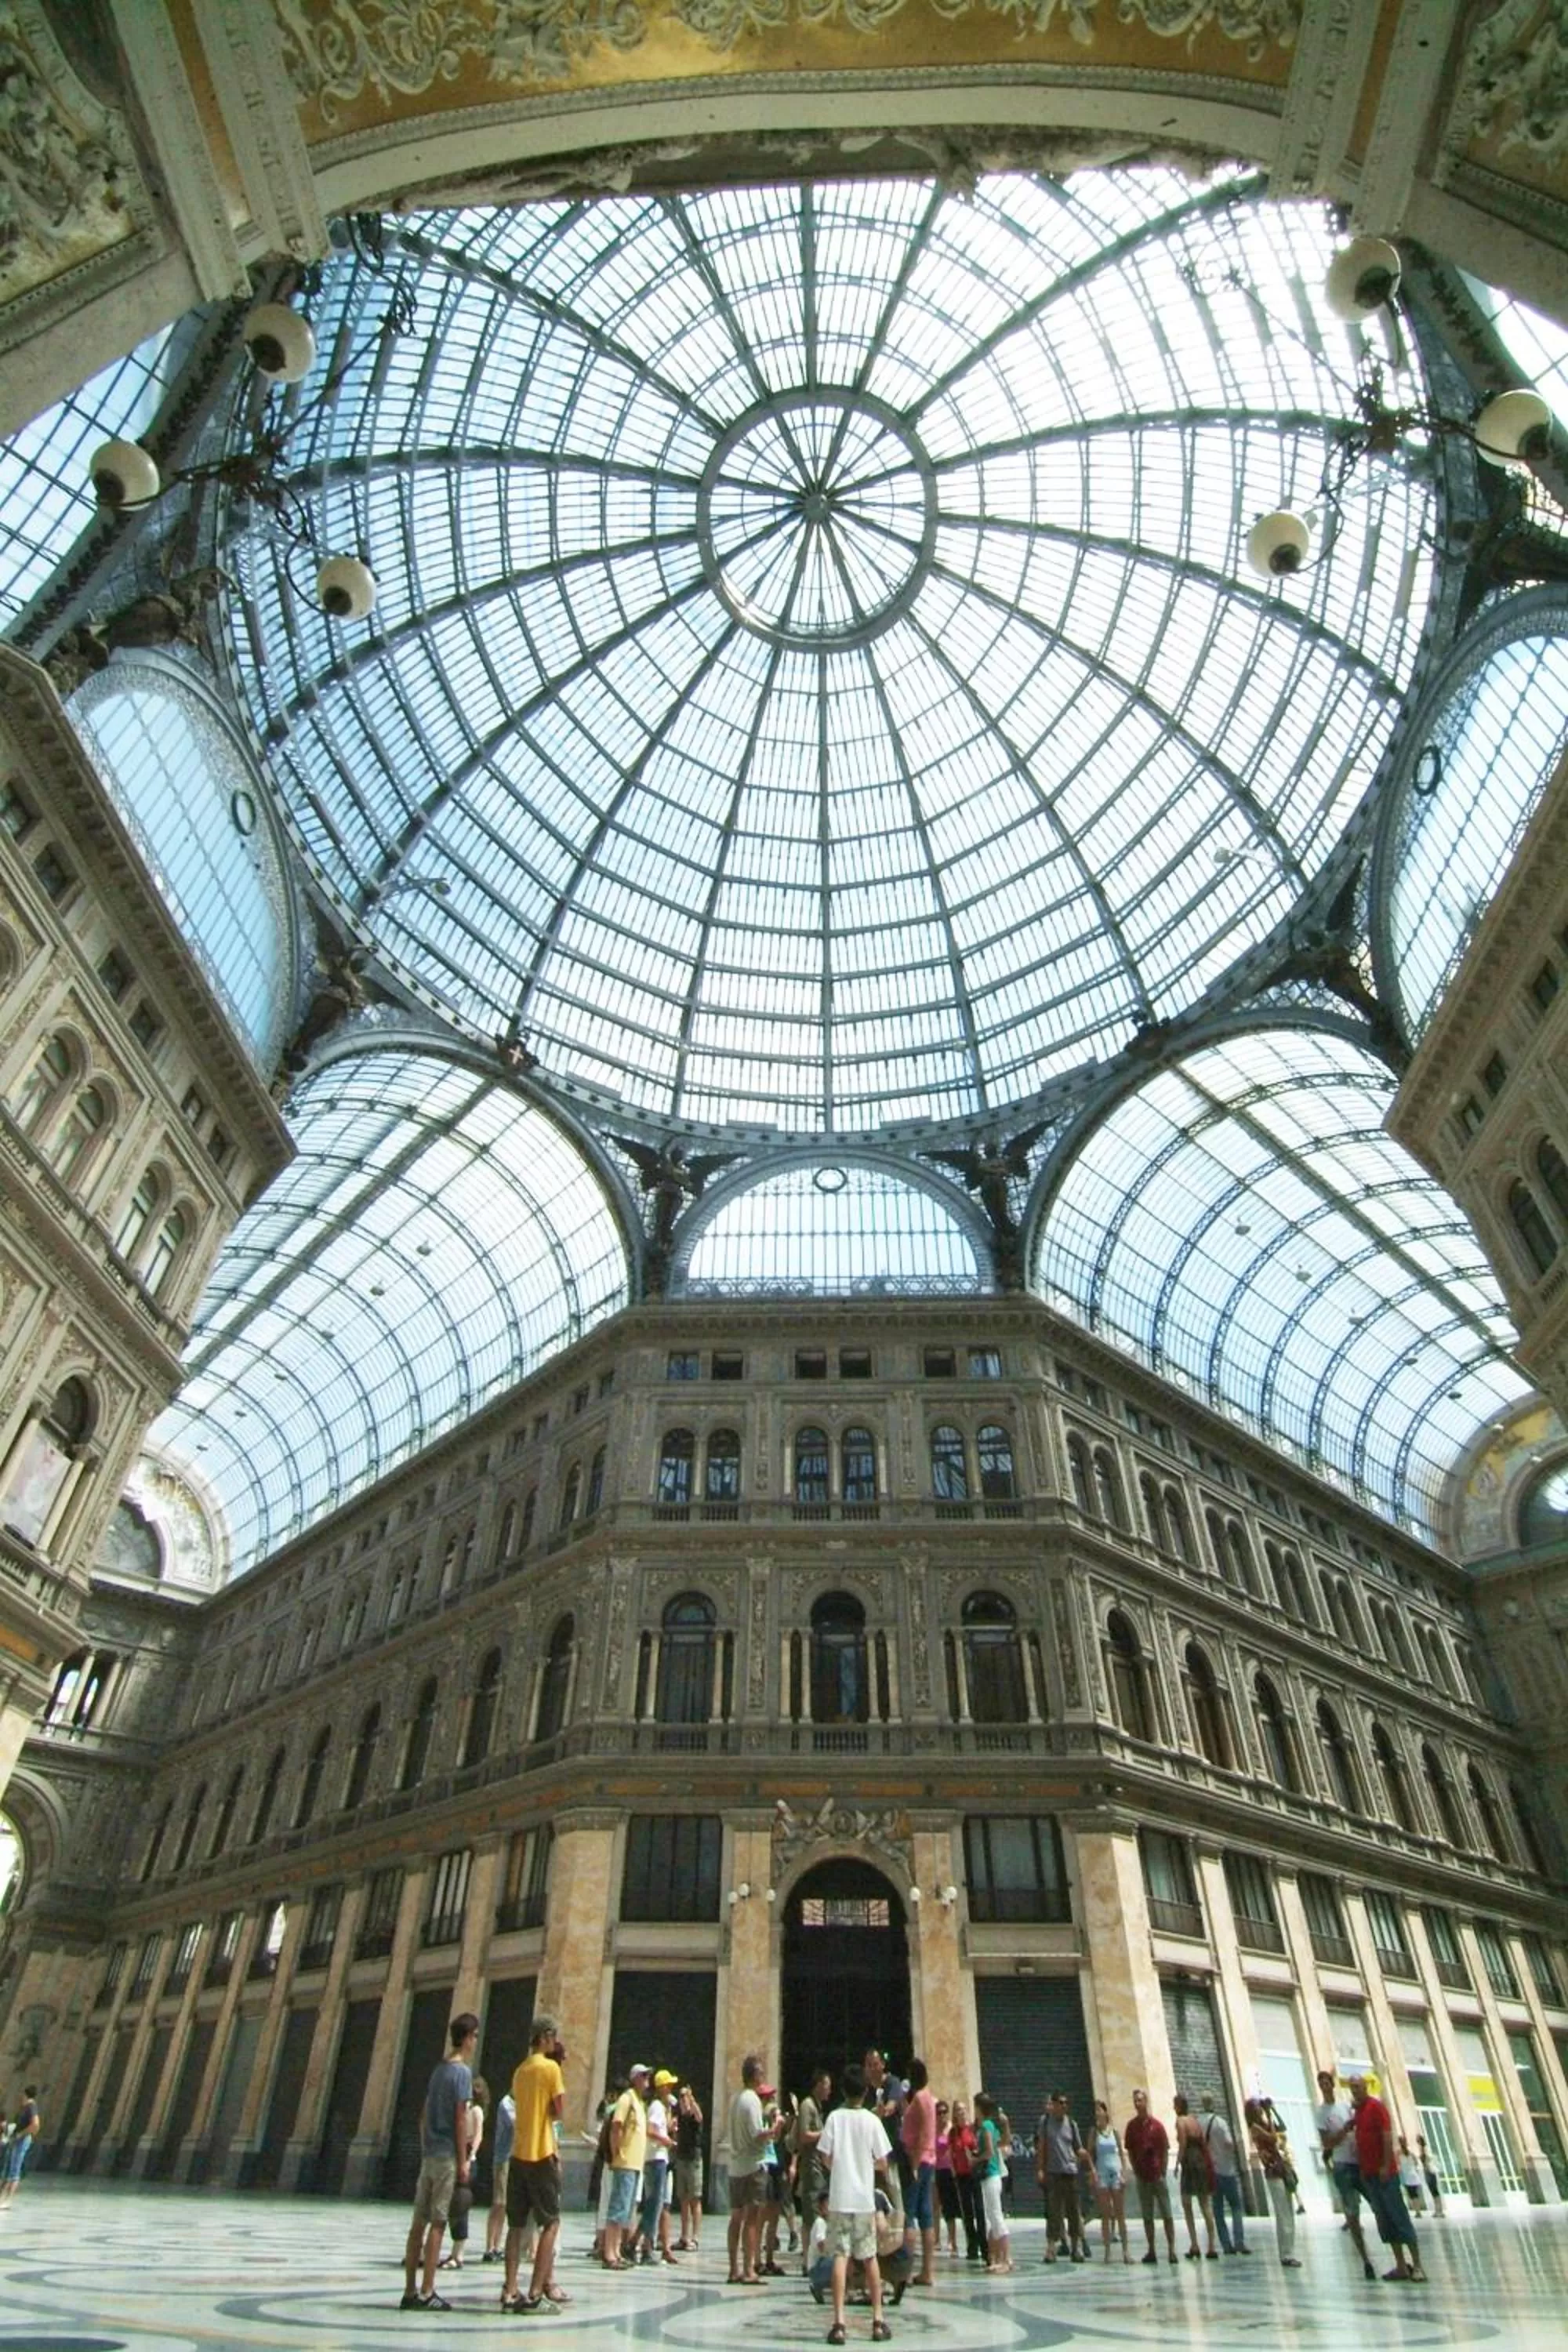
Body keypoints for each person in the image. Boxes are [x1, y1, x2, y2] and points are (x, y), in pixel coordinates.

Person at [401, 2010, 477, 2311]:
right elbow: (461, 2119)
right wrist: (462, 2161)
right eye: (474, 2036)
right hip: (447, 2155)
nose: (475, 2042)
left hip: (429, 2156)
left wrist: (426, 2147)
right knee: (438, 2223)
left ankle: (409, 2291)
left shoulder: (438, 2070)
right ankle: (427, 2290)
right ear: (468, 2038)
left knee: (418, 2223)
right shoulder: (462, 2074)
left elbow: (423, 2116)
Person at [818, 2061, 893, 2344]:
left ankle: (839, 2323)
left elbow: (825, 2157)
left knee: (841, 2256)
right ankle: (878, 2320)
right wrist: (865, 2165)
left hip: (839, 2197)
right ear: (866, 2091)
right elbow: (884, 2162)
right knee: (870, 2256)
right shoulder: (872, 2121)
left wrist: (841, 2167)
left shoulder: (835, 2118)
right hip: (864, 2200)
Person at [503, 2013, 570, 2314]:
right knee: (550, 2223)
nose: (555, 2042)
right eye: (553, 2037)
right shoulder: (551, 2068)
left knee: (516, 2226)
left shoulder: (519, 2071)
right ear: (545, 2037)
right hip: (542, 2153)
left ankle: (509, 2289)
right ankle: (534, 2294)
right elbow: (559, 2109)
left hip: (517, 2154)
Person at [1348, 2074, 1425, 2283]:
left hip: (1385, 2174)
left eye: (1358, 2086)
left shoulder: (1376, 2107)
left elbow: (1386, 2136)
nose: (1354, 2090)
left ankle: (1417, 2266)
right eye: (1352, 2087)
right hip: (1370, 2175)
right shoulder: (1359, 2112)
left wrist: (1385, 2165)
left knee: (1399, 2217)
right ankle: (1401, 2265)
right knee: (1386, 2221)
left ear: (1366, 2087)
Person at [1312, 2066, 1375, 2280]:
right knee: (1352, 2213)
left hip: (1359, 2163)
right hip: (1342, 2166)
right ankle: (1365, 2259)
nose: (1325, 2086)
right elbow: (1327, 2142)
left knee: (1378, 2203)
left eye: (1327, 2082)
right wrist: (1343, 2132)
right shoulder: (1321, 2114)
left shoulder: (1346, 2106)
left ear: (1332, 2084)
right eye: (1321, 2084)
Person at [727, 2050, 772, 2285]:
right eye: (762, 2073)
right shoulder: (753, 2100)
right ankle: (749, 2269)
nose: (764, 2077)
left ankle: (733, 2268)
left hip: (734, 2166)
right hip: (753, 2166)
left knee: (735, 2217)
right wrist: (774, 2129)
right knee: (752, 2219)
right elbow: (757, 2135)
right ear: (754, 2076)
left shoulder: (735, 2099)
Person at [604, 2060, 650, 2271]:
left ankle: (617, 2251)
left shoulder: (640, 2103)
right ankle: (609, 2253)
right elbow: (616, 2126)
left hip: (635, 2164)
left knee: (625, 2212)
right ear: (635, 2079)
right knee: (617, 2210)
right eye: (644, 2076)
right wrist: (616, 2154)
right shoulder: (626, 2099)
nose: (647, 2081)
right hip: (625, 2161)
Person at [1245, 2097, 1301, 2269]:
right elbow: (1273, 2138)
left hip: (1282, 2169)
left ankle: (1289, 2251)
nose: (1259, 2109)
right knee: (1283, 2212)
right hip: (1273, 2172)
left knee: (1288, 2211)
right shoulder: (1255, 2128)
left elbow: (1282, 2127)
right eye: (1255, 2107)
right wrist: (1269, 2114)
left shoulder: (1265, 2122)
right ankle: (1286, 2254)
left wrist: (1274, 2111)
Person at [1124, 2087, 1177, 2266]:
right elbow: (1130, 2150)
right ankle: (1151, 2249)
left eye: (1140, 2100)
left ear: (1146, 2102)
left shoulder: (1158, 2126)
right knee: (1147, 2215)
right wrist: (1135, 2168)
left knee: (1167, 2213)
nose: (1137, 2104)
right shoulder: (1131, 2127)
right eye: (1135, 2101)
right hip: (1142, 2176)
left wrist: (1162, 2171)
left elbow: (1165, 2149)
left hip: (1157, 2176)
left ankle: (1171, 2250)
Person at [440, 2074, 487, 2267]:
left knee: (460, 2205)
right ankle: (452, 2252)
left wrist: (469, 2158)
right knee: (451, 2205)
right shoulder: (462, 2109)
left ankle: (458, 2253)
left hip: (468, 2161)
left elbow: (478, 2136)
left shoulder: (476, 2111)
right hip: (456, 2157)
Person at [1035, 2088, 1087, 2263]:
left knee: (1073, 2212)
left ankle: (1076, 2247)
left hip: (1070, 2173)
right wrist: (1040, 2169)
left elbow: (1077, 2147)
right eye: (1061, 2103)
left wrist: (1087, 2159)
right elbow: (1042, 2147)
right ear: (1055, 2104)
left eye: (1066, 2103)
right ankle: (1051, 2249)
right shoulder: (1045, 2122)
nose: (1064, 2106)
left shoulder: (1071, 2124)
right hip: (1053, 2173)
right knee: (1053, 2212)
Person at [900, 2058, 938, 2285]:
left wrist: (913, 2165)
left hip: (918, 2160)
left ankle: (906, 2270)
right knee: (926, 2215)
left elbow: (922, 2134)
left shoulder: (922, 2099)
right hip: (929, 2160)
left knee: (910, 2215)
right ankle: (927, 2272)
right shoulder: (928, 2097)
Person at [636, 2067, 679, 2264]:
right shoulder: (656, 2107)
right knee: (654, 2205)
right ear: (662, 2088)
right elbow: (650, 2131)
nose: (671, 2089)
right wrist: (667, 2141)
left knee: (654, 2204)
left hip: (659, 2158)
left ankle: (634, 2242)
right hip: (656, 2159)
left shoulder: (662, 2108)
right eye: (669, 2085)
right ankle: (647, 2248)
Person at [1199, 2092, 1248, 2256]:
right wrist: (1236, 2144)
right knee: (1235, 2206)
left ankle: (1226, 2245)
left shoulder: (1199, 2122)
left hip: (1211, 2172)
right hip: (1227, 2170)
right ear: (1213, 2104)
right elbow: (1228, 2143)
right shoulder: (1221, 2123)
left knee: (1218, 2210)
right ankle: (1239, 2242)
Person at [1172, 2092, 1218, 2259]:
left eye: (1174, 2104)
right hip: (1200, 2161)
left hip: (1190, 2163)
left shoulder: (1180, 2121)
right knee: (1205, 2204)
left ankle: (1194, 2244)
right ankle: (1212, 2245)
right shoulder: (1194, 2120)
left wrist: (1177, 2163)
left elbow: (1183, 2143)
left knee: (1186, 2203)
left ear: (1178, 2106)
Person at [795, 2067, 832, 2269]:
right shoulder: (808, 2106)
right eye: (827, 2086)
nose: (829, 2091)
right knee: (810, 2214)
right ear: (818, 2086)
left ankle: (812, 2257)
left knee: (815, 2212)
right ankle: (807, 2262)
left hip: (818, 2167)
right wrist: (824, 2133)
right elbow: (804, 2136)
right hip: (811, 2167)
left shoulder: (817, 2107)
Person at [1088, 2099, 1130, 2263]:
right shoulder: (1094, 2132)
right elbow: (1089, 2153)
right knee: (1106, 2215)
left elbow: (1121, 2152)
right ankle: (1107, 2252)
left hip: (1115, 2172)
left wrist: (1124, 2173)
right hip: (1102, 2174)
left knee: (1120, 2214)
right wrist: (1093, 2172)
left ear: (1106, 2113)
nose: (1098, 2113)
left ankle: (1126, 2251)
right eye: (1096, 2111)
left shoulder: (1114, 2132)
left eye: (1100, 2110)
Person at [974, 2091, 1011, 2273]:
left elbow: (989, 2152)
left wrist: (974, 2159)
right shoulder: (992, 2125)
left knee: (996, 2217)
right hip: (993, 2176)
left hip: (990, 2175)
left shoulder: (986, 2127)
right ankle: (997, 2258)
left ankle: (1005, 2260)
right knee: (993, 2216)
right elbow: (1003, 2142)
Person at [948, 2098, 985, 2263]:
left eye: (963, 2109)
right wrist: (954, 2172)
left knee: (979, 2210)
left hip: (975, 2174)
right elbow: (951, 2154)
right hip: (962, 2176)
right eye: (958, 2110)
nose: (961, 2112)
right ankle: (972, 2246)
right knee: (967, 2213)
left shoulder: (973, 2130)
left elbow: (979, 2148)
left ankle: (984, 2246)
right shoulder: (953, 2133)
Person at [484, 2084, 515, 2262]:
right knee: (498, 2202)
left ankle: (498, 2244)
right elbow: (516, 2124)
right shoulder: (506, 2103)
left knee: (505, 2205)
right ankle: (490, 2246)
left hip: (514, 2158)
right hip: (503, 2158)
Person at [673, 2080, 705, 2250]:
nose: (683, 2099)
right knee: (683, 2199)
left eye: (685, 2096)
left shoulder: (694, 2115)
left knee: (695, 2199)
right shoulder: (679, 2116)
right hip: (681, 2158)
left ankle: (695, 2237)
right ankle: (684, 2237)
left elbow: (699, 2116)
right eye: (682, 2097)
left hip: (694, 2160)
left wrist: (692, 2100)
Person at [0, 2088, 39, 2209]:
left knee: (14, 2171)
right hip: (18, 2140)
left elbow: (36, 2124)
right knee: (10, 2169)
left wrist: (22, 2135)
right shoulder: (26, 2107)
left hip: (21, 2141)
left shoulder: (31, 2107)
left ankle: (8, 2200)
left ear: (25, 2095)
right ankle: (2, 2198)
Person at [933, 2100, 960, 2256]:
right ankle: (937, 2239)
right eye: (939, 2112)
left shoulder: (950, 2129)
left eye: (944, 2112)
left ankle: (952, 2240)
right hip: (935, 2170)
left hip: (948, 2170)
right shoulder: (933, 2130)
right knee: (935, 2206)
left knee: (949, 2207)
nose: (942, 2115)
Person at [1416, 2132, 1445, 2218]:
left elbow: (1427, 2159)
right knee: (1433, 2191)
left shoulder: (1425, 2149)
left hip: (1430, 2171)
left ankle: (1440, 2210)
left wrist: (1425, 2163)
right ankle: (1437, 2210)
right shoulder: (1422, 2149)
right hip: (1427, 2171)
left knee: (1434, 2191)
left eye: (1418, 2140)